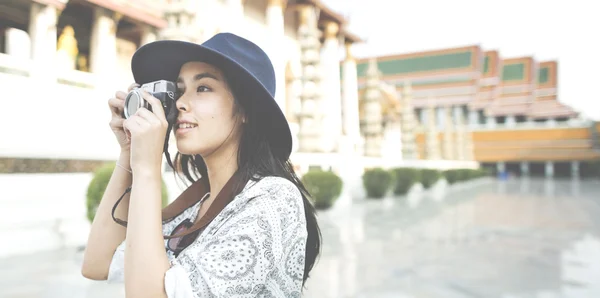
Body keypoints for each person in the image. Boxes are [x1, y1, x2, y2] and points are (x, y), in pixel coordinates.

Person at [81, 33, 322, 298]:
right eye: (180, 90)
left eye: (203, 88)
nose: (181, 103)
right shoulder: (193, 209)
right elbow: (98, 263)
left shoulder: (274, 198)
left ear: (246, 111)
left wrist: (148, 169)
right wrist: (128, 152)